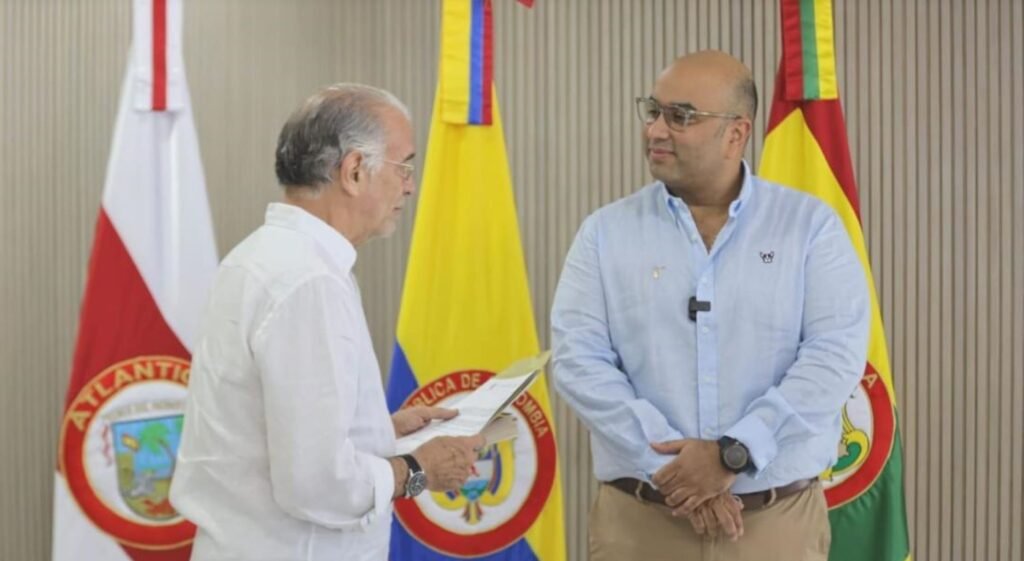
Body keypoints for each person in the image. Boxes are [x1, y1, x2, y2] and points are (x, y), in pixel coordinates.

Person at [550, 51, 869, 561]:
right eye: (653, 111)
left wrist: (733, 455)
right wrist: (681, 473)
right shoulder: (605, 233)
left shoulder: (809, 228)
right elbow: (578, 361)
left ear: (736, 134)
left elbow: (834, 356)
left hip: (774, 524)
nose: (655, 129)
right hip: (641, 525)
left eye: (681, 116)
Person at [169, 84, 485, 561]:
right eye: (405, 167)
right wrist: (418, 469)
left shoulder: (258, 257)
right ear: (355, 171)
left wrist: (380, 429)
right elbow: (315, 484)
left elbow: (267, 426)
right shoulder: (308, 281)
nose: (411, 186)